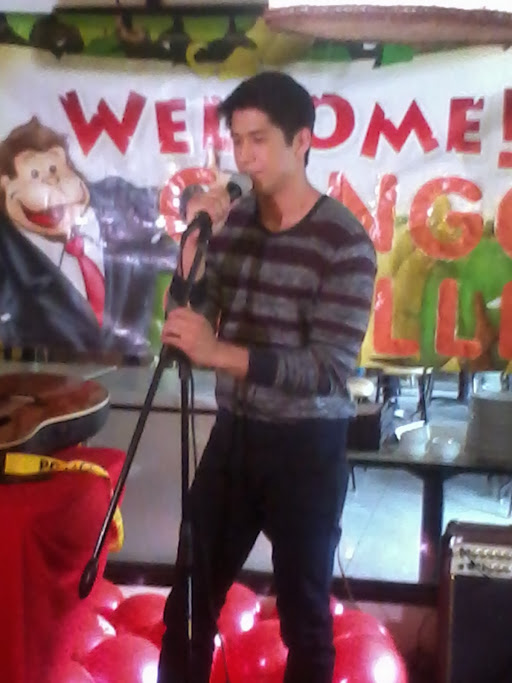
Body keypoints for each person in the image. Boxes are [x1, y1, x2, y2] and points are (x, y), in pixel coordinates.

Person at [158, 71, 377, 683]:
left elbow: (328, 369)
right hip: (235, 435)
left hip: (306, 448)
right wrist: (191, 254)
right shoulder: (233, 226)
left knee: (305, 620)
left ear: (301, 140)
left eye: (259, 140)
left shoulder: (345, 243)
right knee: (189, 605)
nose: (245, 156)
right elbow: (188, 322)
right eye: (237, 140)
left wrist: (221, 353)